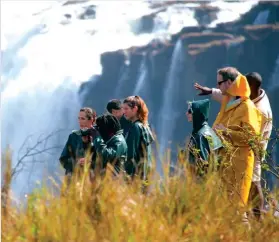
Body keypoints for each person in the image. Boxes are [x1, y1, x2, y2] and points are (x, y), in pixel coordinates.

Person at [194, 72, 272, 218]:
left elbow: (252, 138)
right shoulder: (249, 98)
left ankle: (258, 220)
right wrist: (211, 91)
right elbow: (227, 96)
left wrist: (227, 132)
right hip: (235, 154)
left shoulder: (260, 110)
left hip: (252, 152)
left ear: (252, 87)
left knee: (253, 183)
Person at [210, 67, 263, 209]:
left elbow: (252, 138)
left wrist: (226, 132)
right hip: (226, 163)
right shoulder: (229, 104)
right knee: (225, 209)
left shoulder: (247, 107)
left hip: (240, 165)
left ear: (228, 83)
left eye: (219, 83)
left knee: (237, 209)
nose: (217, 86)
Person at [185, 99, 222, 177]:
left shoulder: (200, 135)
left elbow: (203, 165)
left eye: (189, 111)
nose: (186, 113)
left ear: (197, 113)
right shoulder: (208, 130)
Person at [122, 95, 154, 181]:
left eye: (126, 109)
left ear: (135, 109)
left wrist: (125, 176)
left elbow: (130, 155)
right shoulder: (145, 126)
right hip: (145, 175)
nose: (123, 112)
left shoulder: (135, 127)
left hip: (136, 177)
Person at [59, 107, 98, 177]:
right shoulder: (73, 136)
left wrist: (91, 162)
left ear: (91, 120)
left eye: (83, 119)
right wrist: (77, 162)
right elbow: (63, 159)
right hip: (75, 180)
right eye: (79, 118)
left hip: (93, 179)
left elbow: (105, 159)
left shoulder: (98, 136)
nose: (80, 121)